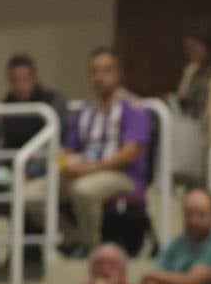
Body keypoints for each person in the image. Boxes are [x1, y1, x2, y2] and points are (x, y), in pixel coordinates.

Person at [59, 48, 153, 253]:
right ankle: (73, 237)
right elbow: (67, 150)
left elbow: (130, 152)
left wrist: (92, 169)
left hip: (122, 175)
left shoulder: (133, 107)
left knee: (82, 190)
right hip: (84, 170)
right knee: (35, 192)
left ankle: (91, 247)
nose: (99, 77)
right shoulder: (85, 110)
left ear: (118, 74)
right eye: (95, 71)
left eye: (106, 71)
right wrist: (64, 165)